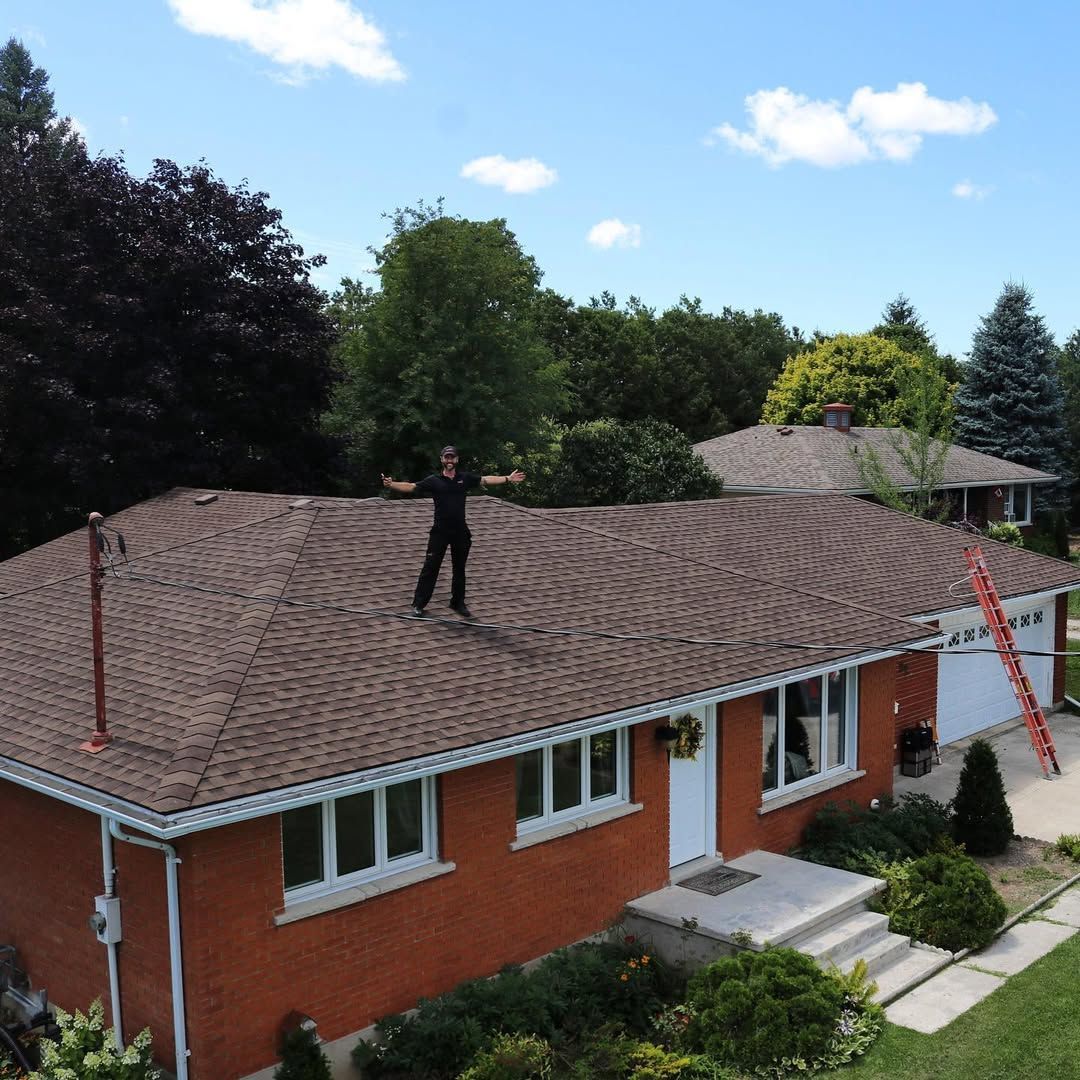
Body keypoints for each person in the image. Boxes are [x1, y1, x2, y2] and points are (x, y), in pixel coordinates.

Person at [382, 446, 526, 617]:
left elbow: (486, 480)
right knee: (430, 567)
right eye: (446, 457)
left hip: (460, 532)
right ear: (441, 459)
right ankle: (418, 604)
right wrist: (392, 485)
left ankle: (457, 603)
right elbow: (412, 487)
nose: (449, 461)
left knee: (459, 569)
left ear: (457, 460)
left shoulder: (464, 478)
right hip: (440, 532)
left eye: (452, 458)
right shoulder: (434, 481)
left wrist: (507, 478)